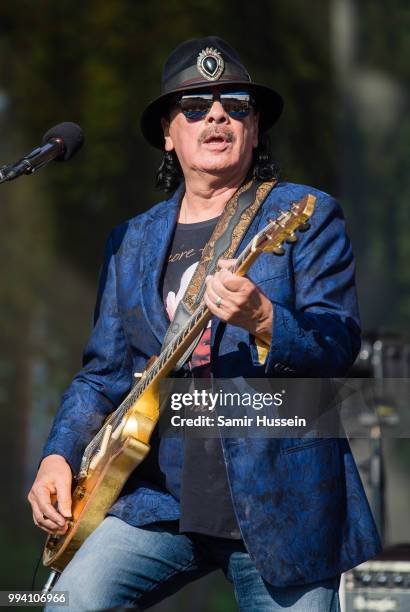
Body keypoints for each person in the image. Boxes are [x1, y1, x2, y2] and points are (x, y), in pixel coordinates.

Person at [28, 37, 382, 611]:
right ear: (168, 133)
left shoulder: (305, 215)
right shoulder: (132, 240)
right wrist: (58, 456)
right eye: (194, 106)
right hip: (156, 501)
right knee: (68, 603)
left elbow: (338, 344)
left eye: (235, 104)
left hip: (280, 507)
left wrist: (265, 319)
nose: (216, 114)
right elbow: (104, 373)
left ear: (255, 125)